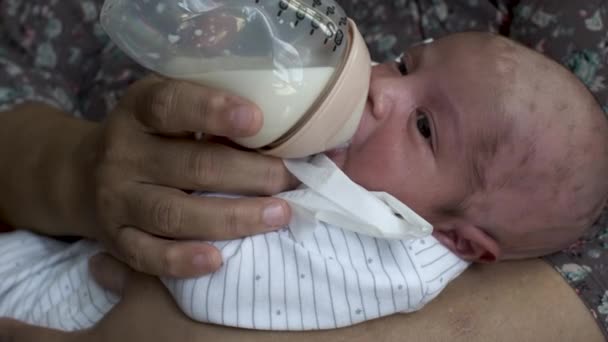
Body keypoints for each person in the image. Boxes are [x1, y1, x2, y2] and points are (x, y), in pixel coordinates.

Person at [0, 0, 607, 340]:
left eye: (424, 127)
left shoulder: (397, 256)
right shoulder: (367, 186)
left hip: (78, 305)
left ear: (458, 239)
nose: (381, 90)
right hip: (63, 255)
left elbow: (216, 282)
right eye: (401, 64)